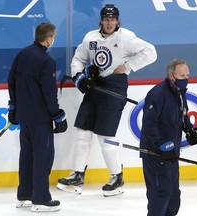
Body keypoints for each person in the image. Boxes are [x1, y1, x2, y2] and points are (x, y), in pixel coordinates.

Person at [56, 4, 157, 197]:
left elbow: (151, 52)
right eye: (106, 19)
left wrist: (128, 65)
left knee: (105, 136)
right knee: (82, 131)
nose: (109, 22)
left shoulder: (126, 37)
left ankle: (117, 177)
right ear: (101, 20)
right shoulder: (90, 37)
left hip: (114, 87)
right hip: (95, 86)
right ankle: (77, 174)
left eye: (113, 19)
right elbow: (78, 58)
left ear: (117, 20)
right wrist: (79, 78)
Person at [7, 22, 68, 212]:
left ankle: (25, 195)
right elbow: (49, 93)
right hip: (40, 119)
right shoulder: (46, 61)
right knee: (43, 156)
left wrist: (13, 107)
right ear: (49, 38)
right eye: (53, 37)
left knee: (27, 155)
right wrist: (58, 116)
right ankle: (40, 199)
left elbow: (11, 81)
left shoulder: (22, 54)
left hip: (25, 116)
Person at [139, 59, 197, 215]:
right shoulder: (157, 94)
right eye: (182, 76)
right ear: (171, 75)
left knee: (174, 197)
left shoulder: (180, 93)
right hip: (155, 155)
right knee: (160, 196)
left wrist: (190, 129)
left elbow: (182, 114)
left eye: (187, 75)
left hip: (171, 155)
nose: (186, 79)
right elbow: (149, 124)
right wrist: (162, 144)